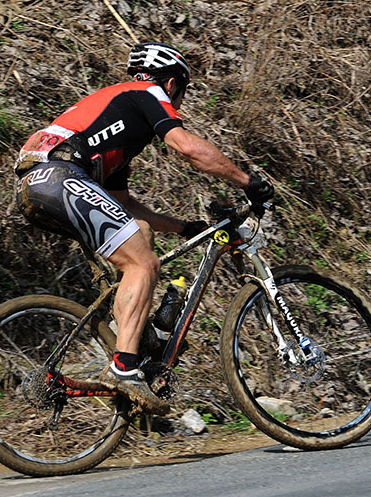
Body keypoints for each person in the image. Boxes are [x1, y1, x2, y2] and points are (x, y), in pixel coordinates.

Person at [14, 42, 274, 414]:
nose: (178, 101)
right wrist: (248, 181)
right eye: (181, 92)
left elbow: (124, 205)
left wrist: (184, 227)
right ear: (172, 84)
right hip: (59, 176)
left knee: (139, 234)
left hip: (37, 184)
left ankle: (134, 337)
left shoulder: (115, 129)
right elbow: (188, 148)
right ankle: (123, 367)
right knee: (143, 264)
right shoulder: (147, 92)